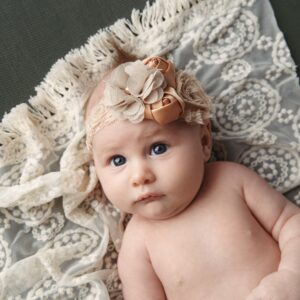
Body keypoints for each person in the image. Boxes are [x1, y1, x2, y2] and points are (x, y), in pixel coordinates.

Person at [85, 56, 300, 299]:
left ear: (204, 141)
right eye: (118, 160)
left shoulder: (232, 181)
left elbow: (291, 224)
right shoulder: (137, 245)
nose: (140, 176)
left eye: (158, 148)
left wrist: (290, 277)